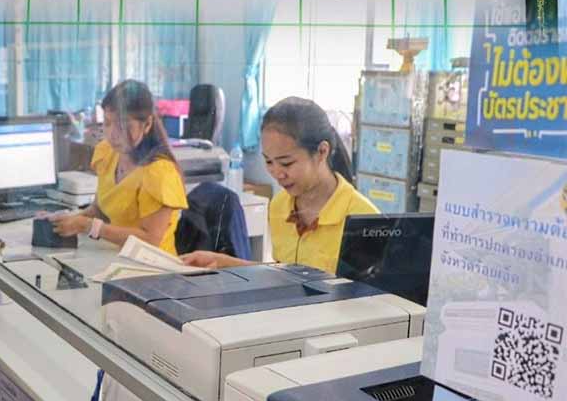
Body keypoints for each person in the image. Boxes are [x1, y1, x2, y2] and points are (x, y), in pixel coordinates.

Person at [181, 96, 379, 275]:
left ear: (321, 152)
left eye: (286, 163)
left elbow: (367, 296)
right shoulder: (279, 206)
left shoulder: (364, 220)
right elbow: (285, 276)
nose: (277, 173)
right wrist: (221, 262)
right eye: (269, 161)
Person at [50, 80, 188, 254]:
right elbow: (99, 210)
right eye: (107, 123)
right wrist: (67, 221)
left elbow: (151, 240)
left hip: (152, 264)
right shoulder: (107, 152)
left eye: (123, 126)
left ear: (147, 124)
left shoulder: (160, 172)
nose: (113, 134)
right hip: (115, 255)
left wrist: (90, 226)